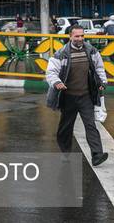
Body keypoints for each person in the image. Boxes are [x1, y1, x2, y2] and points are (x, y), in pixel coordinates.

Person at [45, 25, 109, 166]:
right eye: (77, 36)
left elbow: (99, 67)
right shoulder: (61, 53)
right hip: (68, 97)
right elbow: (51, 72)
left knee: (91, 125)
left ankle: (97, 155)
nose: (80, 39)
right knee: (65, 128)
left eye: (82, 36)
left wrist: (102, 82)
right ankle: (65, 152)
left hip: (86, 96)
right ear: (70, 37)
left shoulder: (91, 50)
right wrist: (57, 83)